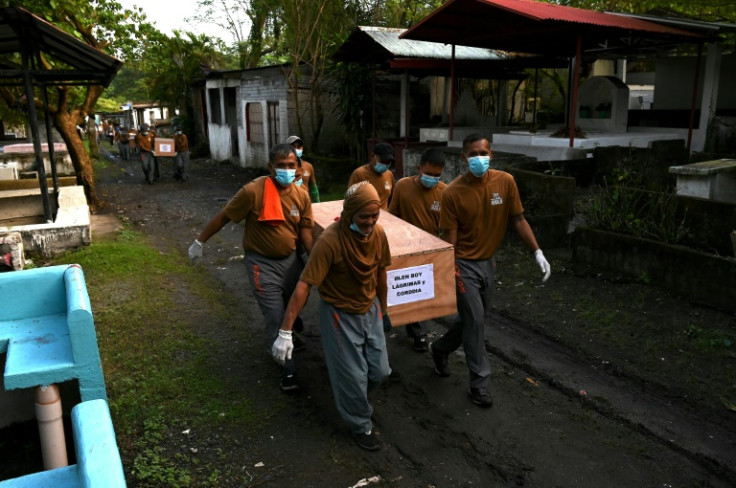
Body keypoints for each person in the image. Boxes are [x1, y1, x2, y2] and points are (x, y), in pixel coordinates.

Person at [429, 133, 551, 408]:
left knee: (472, 320)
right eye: (473, 154)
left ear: (491, 154)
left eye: (483, 153)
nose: (478, 159)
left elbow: (518, 219)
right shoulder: (452, 193)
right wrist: (447, 271)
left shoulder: (505, 182)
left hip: (488, 263)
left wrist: (537, 251)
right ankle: (479, 383)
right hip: (463, 265)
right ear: (463, 158)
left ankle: (440, 348)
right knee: (476, 321)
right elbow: (450, 237)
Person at [272, 181, 392, 451]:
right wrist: (285, 331)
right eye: (364, 216)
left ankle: (353, 398)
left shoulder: (379, 234)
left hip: (369, 308)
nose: (370, 222)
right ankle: (360, 424)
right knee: (354, 376)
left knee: (380, 370)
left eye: (375, 216)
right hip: (339, 313)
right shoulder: (330, 241)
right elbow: (304, 285)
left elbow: (382, 272)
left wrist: (384, 310)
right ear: (349, 213)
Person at [188, 143, 313, 391]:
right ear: (270, 167)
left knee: (293, 305)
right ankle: (286, 369)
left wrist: (315, 259)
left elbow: (305, 233)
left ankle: (288, 334)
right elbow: (224, 216)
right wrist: (199, 242)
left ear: (298, 167)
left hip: (291, 261)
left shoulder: (301, 196)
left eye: (292, 165)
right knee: (274, 315)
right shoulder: (253, 192)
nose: (287, 170)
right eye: (281, 166)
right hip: (262, 265)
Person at [388, 147, 447, 352]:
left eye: (436, 175)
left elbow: (448, 227)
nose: (432, 178)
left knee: (423, 292)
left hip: (430, 251)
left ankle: (420, 335)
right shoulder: (402, 186)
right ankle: (407, 323)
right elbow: (391, 217)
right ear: (418, 168)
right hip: (404, 248)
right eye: (428, 174)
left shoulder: (445, 193)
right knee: (406, 290)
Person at [348, 142, 395, 210]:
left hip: (384, 218)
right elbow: (350, 200)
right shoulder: (359, 174)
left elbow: (392, 198)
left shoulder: (389, 174)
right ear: (373, 156)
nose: (385, 164)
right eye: (382, 161)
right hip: (366, 217)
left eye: (388, 162)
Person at [287, 135, 320, 203]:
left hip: (305, 204)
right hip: (288, 204)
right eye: (293, 146)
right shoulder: (283, 168)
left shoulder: (308, 166)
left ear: (302, 148)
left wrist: (317, 204)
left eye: (299, 147)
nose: (296, 149)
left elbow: (313, 188)